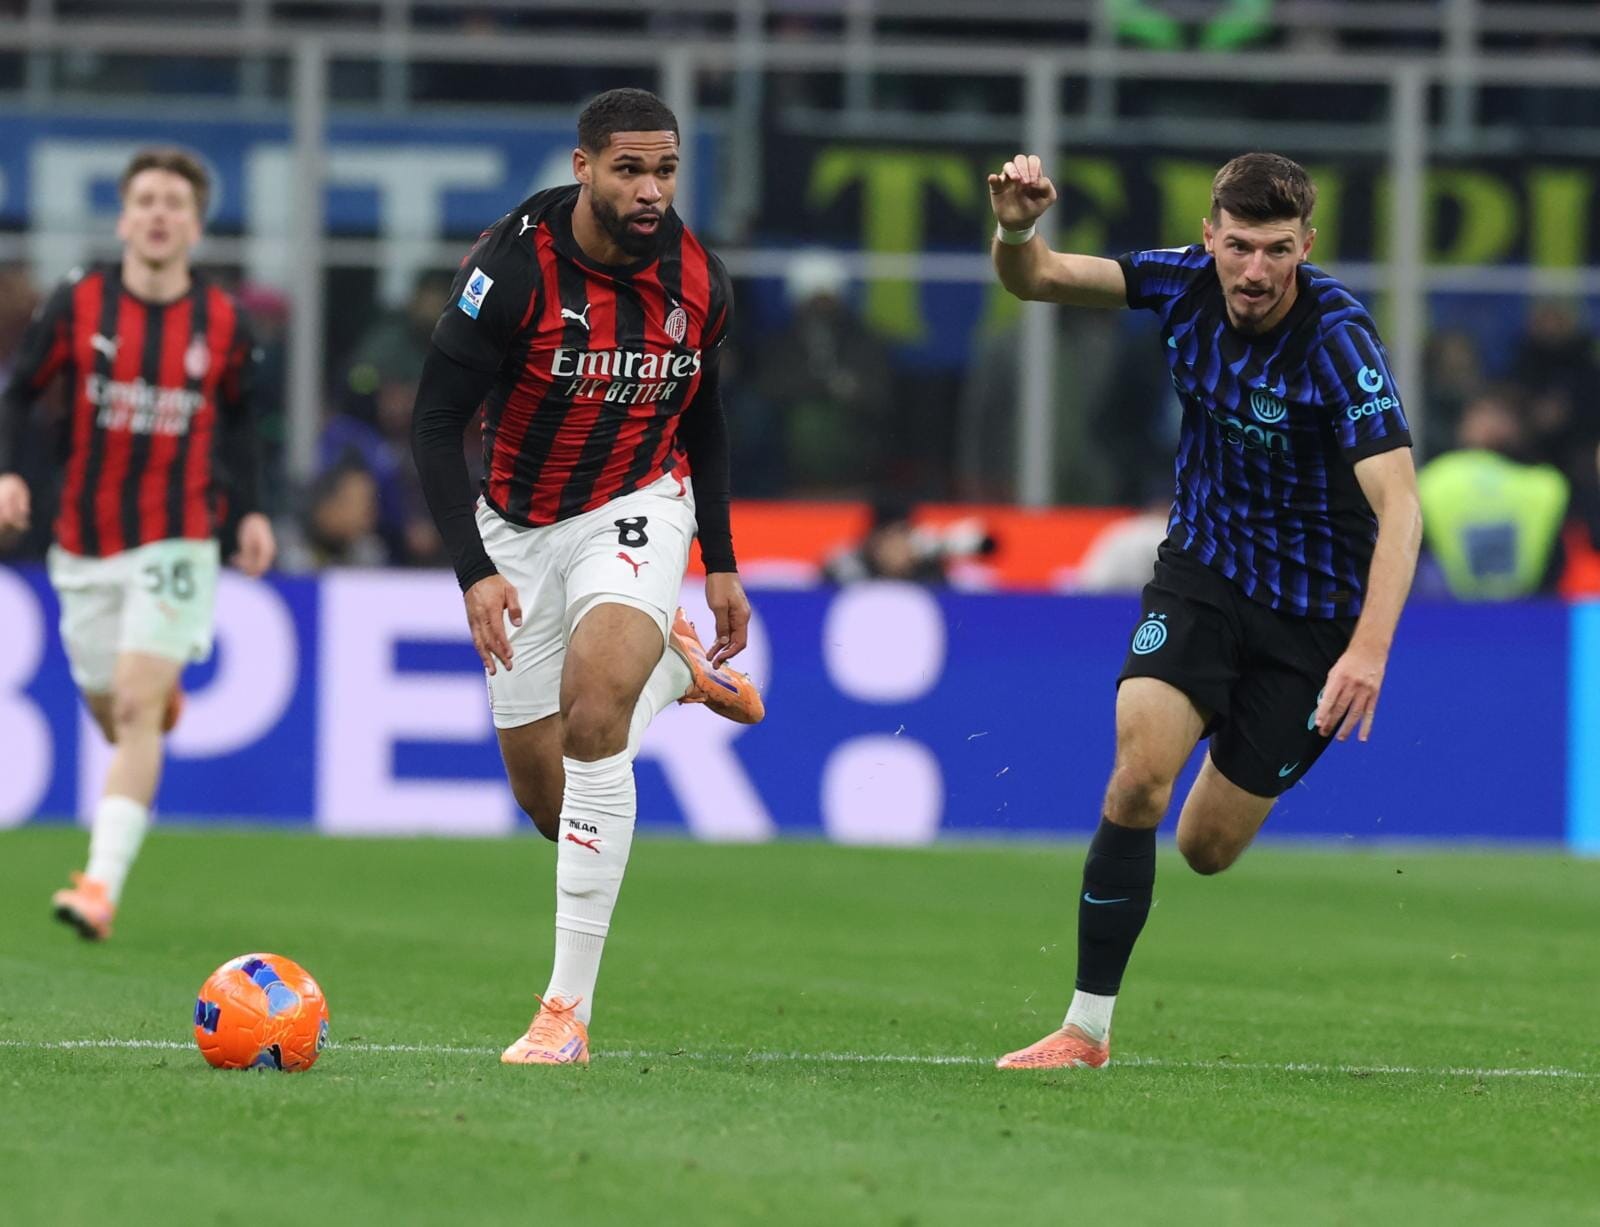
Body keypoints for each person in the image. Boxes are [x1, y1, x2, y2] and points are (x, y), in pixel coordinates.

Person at [987, 151, 1422, 1070]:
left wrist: (1368, 651)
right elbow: (1038, 278)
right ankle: (1086, 1029)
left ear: (1306, 246)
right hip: (1204, 576)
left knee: (1205, 845)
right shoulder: (1181, 283)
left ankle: (1236, 732)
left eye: (1276, 250)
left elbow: (1403, 508)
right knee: (1139, 775)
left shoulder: (1338, 340)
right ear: (1208, 237)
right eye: (1239, 247)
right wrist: (1016, 229)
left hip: (1313, 622)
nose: (1255, 271)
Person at [411, 88, 765, 1067]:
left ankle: (563, 1014)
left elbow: (703, 417)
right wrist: (474, 571)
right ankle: (674, 673)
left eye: (666, 171)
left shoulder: (701, 280)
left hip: (638, 499)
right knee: (549, 801)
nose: (651, 191)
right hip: (517, 525)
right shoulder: (509, 269)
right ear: (583, 169)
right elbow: (434, 422)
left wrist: (722, 560)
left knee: (595, 707)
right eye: (629, 170)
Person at [0, 147, 276, 940]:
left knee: (134, 703)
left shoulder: (224, 322)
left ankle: (100, 884)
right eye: (146, 200)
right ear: (123, 219)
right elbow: (19, 394)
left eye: (174, 203)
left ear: (195, 225)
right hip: (84, 540)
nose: (159, 214)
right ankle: (156, 705)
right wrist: (10, 473)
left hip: (179, 536)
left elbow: (241, 423)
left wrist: (250, 513)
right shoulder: (77, 303)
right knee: (112, 708)